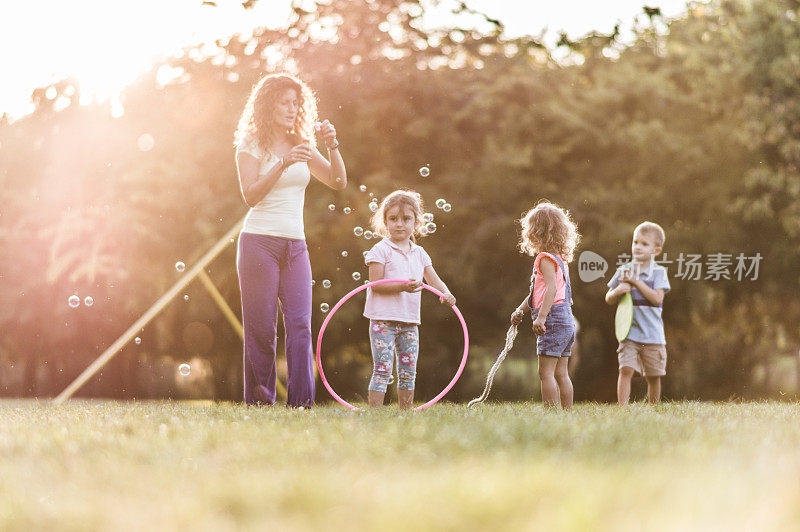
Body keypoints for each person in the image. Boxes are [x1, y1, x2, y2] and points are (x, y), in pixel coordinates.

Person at [233, 73, 347, 407]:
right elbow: (250, 195)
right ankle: (260, 403)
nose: (292, 108)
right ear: (268, 105)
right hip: (258, 243)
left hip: (295, 246)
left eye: (296, 103)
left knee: (300, 325)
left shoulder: (303, 143)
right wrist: (281, 163)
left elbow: (337, 181)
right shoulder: (251, 143)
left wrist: (332, 145)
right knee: (262, 330)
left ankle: (302, 405)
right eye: (285, 102)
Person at [363, 190, 456, 409]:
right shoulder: (380, 250)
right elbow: (376, 285)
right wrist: (404, 286)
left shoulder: (420, 253)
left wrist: (446, 293)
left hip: (409, 321)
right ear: (385, 222)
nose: (399, 224)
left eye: (406, 219)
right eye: (393, 218)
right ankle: (375, 412)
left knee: (408, 370)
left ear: (416, 222)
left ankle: (405, 412)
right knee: (383, 369)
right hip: (382, 320)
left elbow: (434, 280)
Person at [511, 201, 580, 410]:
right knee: (561, 373)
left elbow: (550, 290)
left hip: (553, 319)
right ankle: (567, 412)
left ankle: (552, 414)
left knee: (545, 373)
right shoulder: (561, 260)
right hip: (566, 319)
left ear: (536, 233)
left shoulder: (544, 259)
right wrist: (520, 310)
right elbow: (537, 295)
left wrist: (541, 317)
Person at [605, 222, 670, 405]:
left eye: (644, 244)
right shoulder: (623, 271)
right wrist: (617, 291)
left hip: (653, 334)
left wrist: (636, 282)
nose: (638, 247)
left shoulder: (659, 273)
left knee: (653, 376)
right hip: (629, 332)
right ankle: (623, 409)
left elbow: (657, 299)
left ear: (656, 251)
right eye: (635, 242)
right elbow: (608, 298)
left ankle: (654, 408)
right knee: (625, 369)